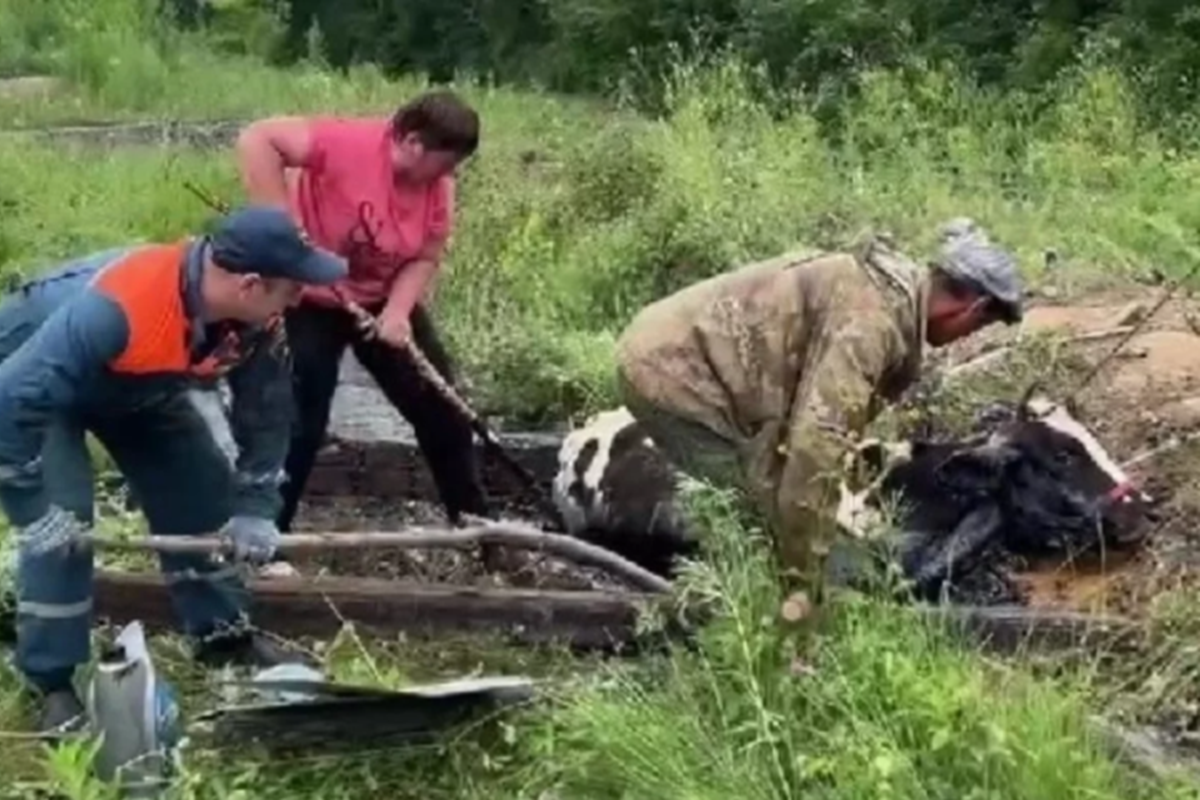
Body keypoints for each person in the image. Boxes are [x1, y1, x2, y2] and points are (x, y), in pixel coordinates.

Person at [0, 205, 347, 733]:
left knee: (203, 493)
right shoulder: (117, 306)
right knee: (62, 531)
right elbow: (12, 400)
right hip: (34, 388)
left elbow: (268, 413)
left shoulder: (256, 319)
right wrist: (28, 505)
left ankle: (222, 636)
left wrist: (256, 508)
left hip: (138, 381)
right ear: (250, 284)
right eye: (292, 287)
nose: (302, 297)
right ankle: (50, 682)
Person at [613, 219, 1024, 602]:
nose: (962, 338)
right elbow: (815, 448)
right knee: (755, 518)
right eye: (977, 328)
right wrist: (807, 576)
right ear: (971, 308)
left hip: (701, 369)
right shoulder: (870, 325)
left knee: (781, 507)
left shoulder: (889, 297)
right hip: (673, 375)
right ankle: (763, 626)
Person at [234, 90, 488, 553]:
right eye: (446, 163)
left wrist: (396, 312)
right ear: (412, 143)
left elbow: (426, 255)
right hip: (308, 294)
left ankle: (479, 533)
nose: (450, 176)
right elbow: (258, 139)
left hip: (379, 299)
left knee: (443, 413)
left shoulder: (438, 188)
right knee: (300, 421)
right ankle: (268, 541)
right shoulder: (346, 143)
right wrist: (281, 233)